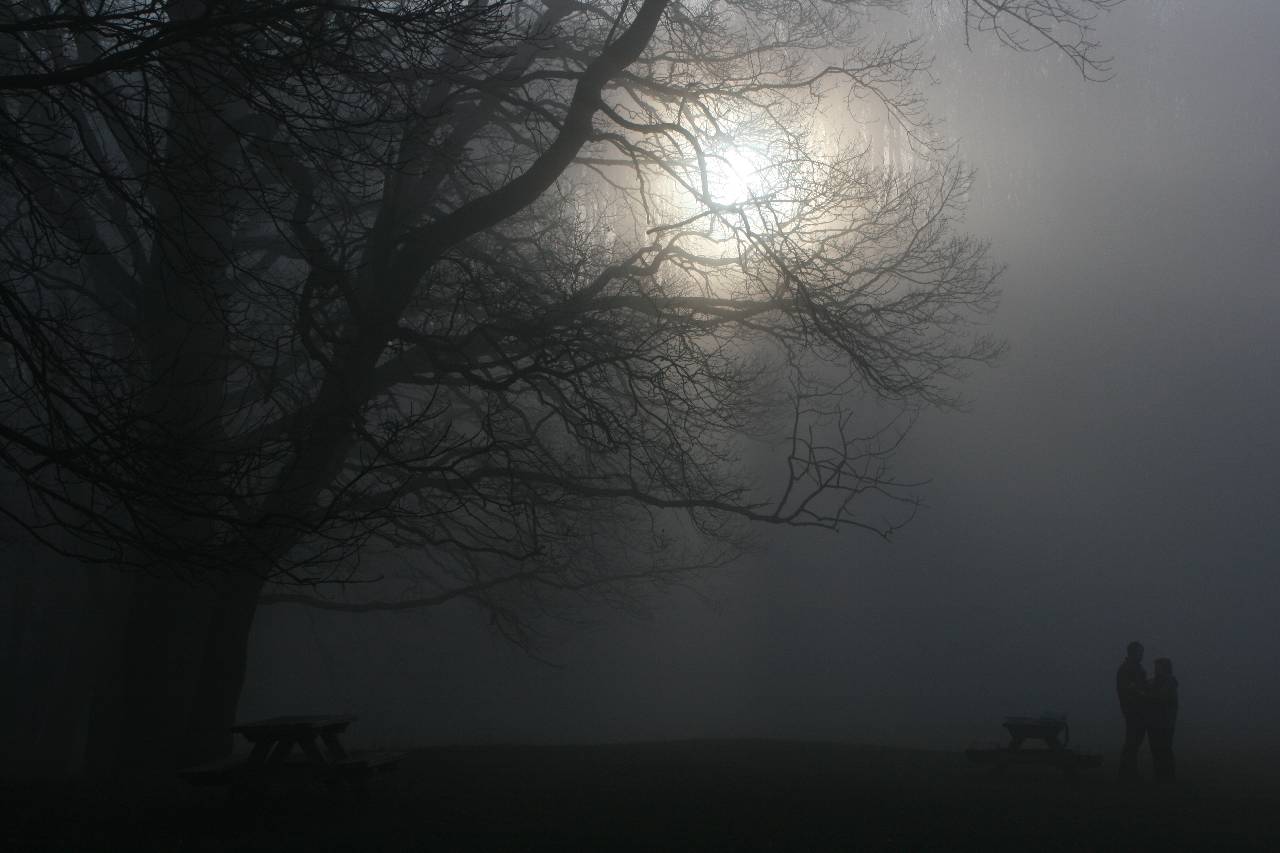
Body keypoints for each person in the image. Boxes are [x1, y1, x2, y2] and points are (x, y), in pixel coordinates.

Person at [1116, 640, 1147, 780]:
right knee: (1132, 741)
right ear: (1134, 653)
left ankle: (1128, 771)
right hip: (1133, 710)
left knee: (1134, 741)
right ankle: (1127, 772)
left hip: (1138, 710)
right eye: (1140, 652)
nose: (1142, 655)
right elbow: (1126, 690)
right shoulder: (1127, 669)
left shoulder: (1136, 668)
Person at [1145, 657, 1179, 782]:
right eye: (1156, 667)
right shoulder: (1156, 681)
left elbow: (1160, 698)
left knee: (1164, 750)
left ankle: (1167, 777)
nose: (1156, 669)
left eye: (1158, 667)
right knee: (1157, 751)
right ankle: (1160, 777)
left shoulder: (1169, 682)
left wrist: (1142, 693)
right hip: (1156, 722)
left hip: (1165, 723)